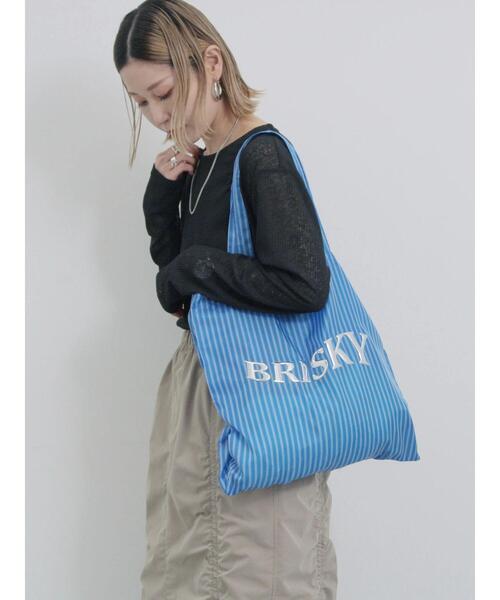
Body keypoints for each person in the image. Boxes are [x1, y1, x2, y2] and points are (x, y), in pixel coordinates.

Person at [114, 1, 338, 598]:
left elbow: (304, 284)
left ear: (211, 63)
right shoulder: (203, 160)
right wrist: (162, 198)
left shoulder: (261, 154)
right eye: (141, 103)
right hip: (202, 387)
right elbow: (180, 290)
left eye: (163, 93)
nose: (158, 115)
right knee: (192, 566)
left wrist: (195, 267)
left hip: (259, 392)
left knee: (255, 567)